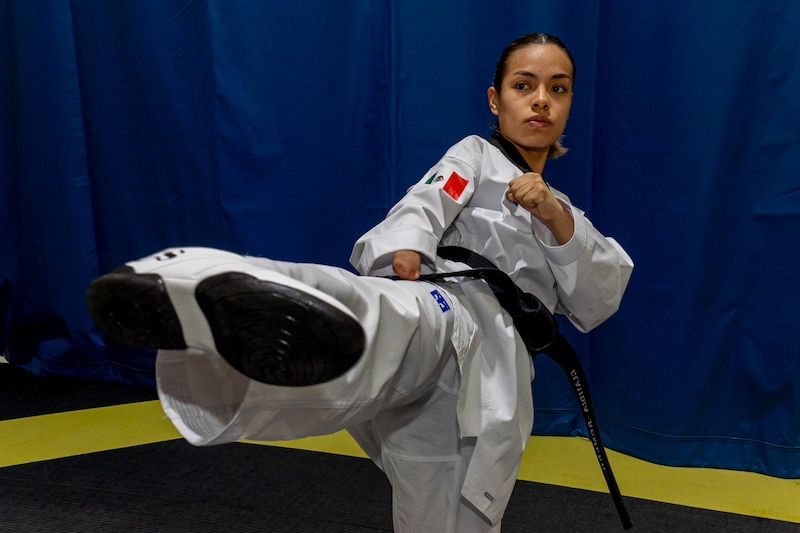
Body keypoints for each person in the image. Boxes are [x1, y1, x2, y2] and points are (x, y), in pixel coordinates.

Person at [87, 32, 633, 532]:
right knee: (384, 315)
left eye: (556, 89)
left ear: (567, 105)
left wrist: (555, 216)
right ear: (496, 99)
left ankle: (233, 341)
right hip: (445, 305)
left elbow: (596, 298)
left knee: (449, 518)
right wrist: (407, 247)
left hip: (491, 384)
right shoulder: (475, 158)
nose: (540, 99)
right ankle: (215, 287)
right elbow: (428, 201)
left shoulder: (568, 216)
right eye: (524, 85)